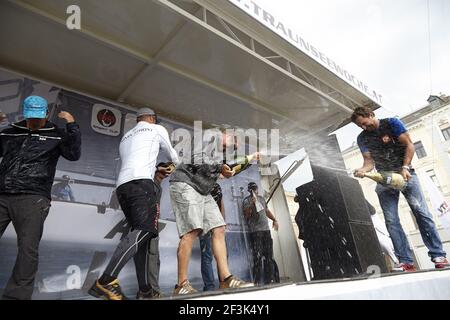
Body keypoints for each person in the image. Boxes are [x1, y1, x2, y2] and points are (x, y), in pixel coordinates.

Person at [88, 107, 179, 300]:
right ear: (153, 119)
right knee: (146, 231)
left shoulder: (126, 136)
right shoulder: (156, 129)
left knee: (141, 238)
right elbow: (173, 156)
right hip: (142, 184)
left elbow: (137, 158)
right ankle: (105, 280)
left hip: (123, 187)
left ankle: (145, 291)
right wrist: (172, 165)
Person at [0, 95, 81, 300]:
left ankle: (16, 297)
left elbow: (73, 154)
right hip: (2, 194)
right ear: (25, 114)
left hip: (33, 197)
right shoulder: (11, 131)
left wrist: (72, 126)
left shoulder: (57, 134)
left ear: (46, 114)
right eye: (30, 117)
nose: (34, 121)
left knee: (28, 250)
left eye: (38, 117)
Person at [352, 106, 448, 271]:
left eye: (364, 123)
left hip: (406, 175)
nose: (363, 127)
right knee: (391, 221)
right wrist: (363, 170)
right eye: (360, 126)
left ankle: (438, 254)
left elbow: (409, 145)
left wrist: (405, 166)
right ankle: (405, 261)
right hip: (385, 179)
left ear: (371, 115)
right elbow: (369, 162)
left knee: (422, 214)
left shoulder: (392, 123)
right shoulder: (362, 138)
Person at [169, 132, 255, 295]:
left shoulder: (222, 154)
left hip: (202, 190)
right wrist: (220, 167)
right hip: (185, 183)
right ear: (225, 134)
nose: (236, 144)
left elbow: (220, 173)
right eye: (234, 139)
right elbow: (195, 158)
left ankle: (226, 279)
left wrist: (245, 162)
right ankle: (181, 285)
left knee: (219, 228)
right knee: (191, 231)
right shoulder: (210, 137)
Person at [242, 182, 280, 285]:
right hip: (256, 232)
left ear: (257, 189)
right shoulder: (246, 200)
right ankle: (257, 281)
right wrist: (252, 204)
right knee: (257, 257)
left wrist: (274, 219)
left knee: (269, 256)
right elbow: (247, 215)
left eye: (255, 188)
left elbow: (266, 211)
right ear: (249, 190)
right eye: (252, 189)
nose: (254, 191)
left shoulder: (262, 199)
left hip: (266, 230)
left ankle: (270, 279)